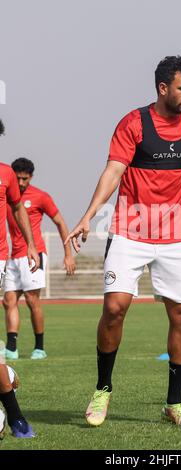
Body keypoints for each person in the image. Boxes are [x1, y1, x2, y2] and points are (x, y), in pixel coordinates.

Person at [66, 55, 181, 427]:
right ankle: (103, 389)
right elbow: (114, 170)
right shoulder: (133, 123)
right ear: (163, 88)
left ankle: (175, 404)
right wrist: (89, 215)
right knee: (115, 308)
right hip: (129, 231)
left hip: (174, 236)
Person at [3, 157, 76, 360]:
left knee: (32, 300)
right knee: (8, 301)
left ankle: (39, 347)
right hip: (13, 257)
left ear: (31, 177)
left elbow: (60, 222)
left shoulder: (41, 196)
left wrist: (68, 254)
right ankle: (11, 348)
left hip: (33, 255)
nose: (21, 183)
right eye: (17, 178)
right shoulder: (8, 195)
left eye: (25, 178)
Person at [0, 119, 38, 437]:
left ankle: (15, 417)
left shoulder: (6, 174)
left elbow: (17, 209)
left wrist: (31, 245)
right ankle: (6, 371)